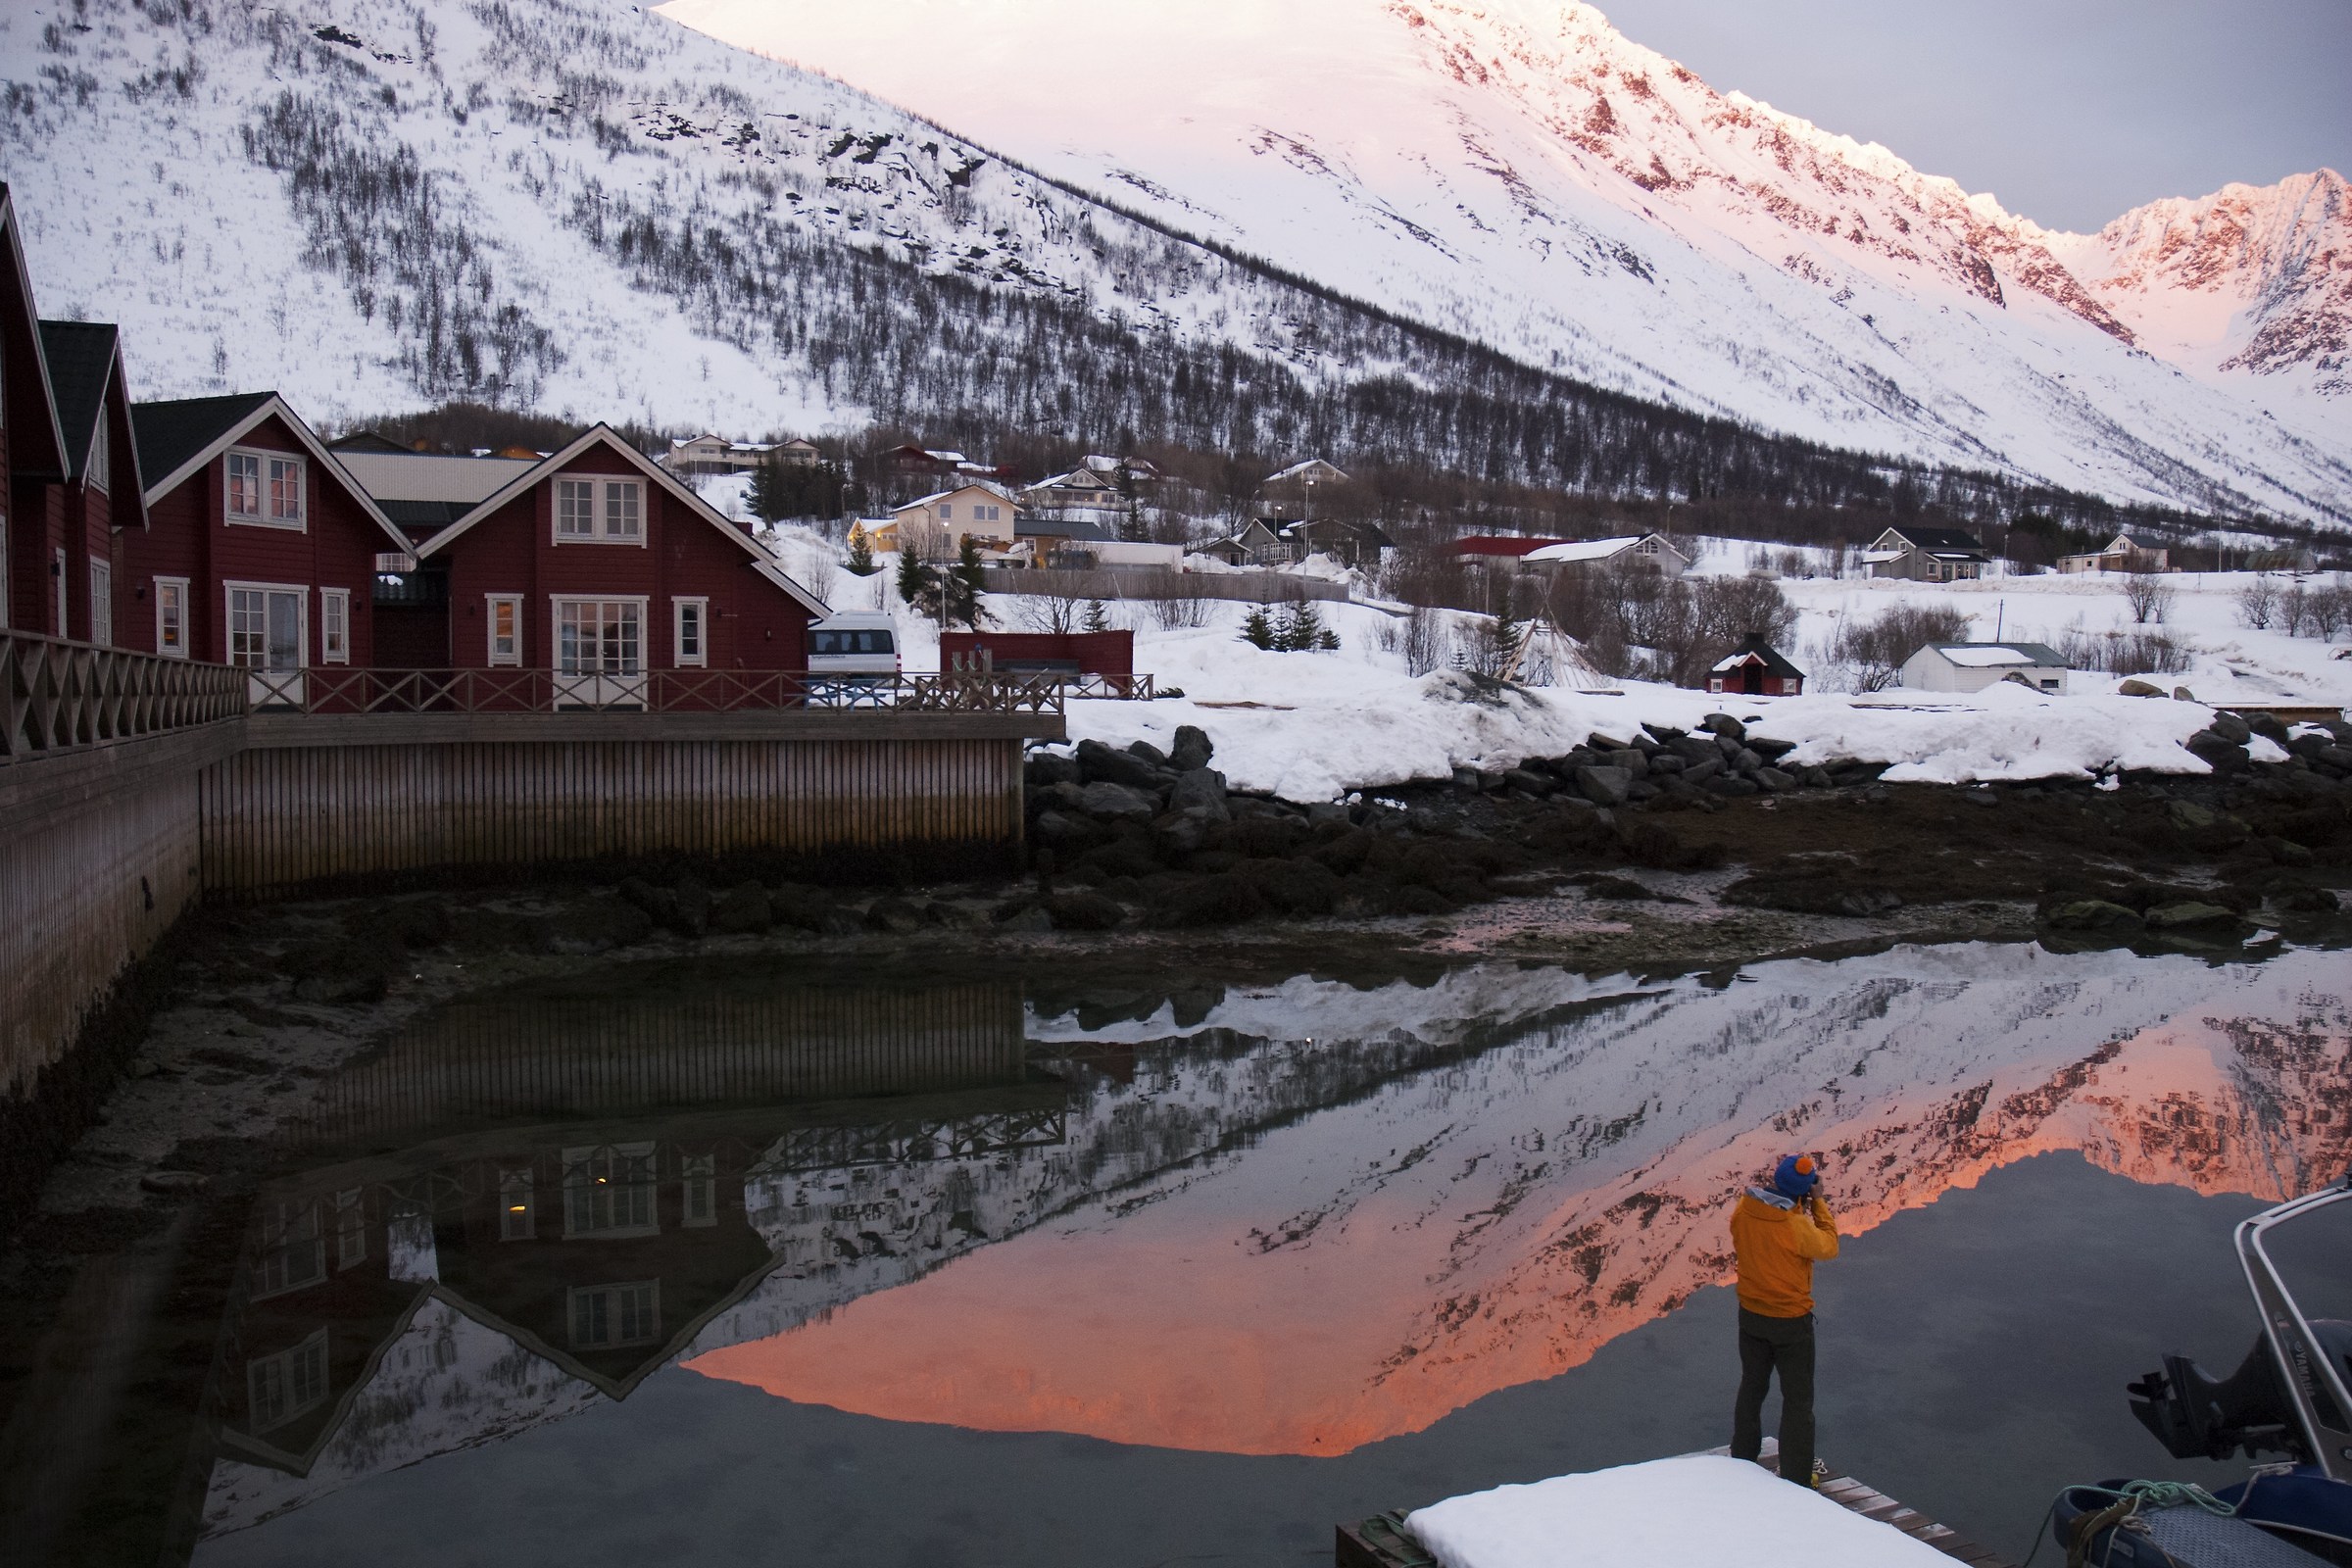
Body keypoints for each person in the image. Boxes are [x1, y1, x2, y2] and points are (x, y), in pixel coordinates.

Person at [1731, 1152, 1839, 1487]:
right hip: (1790, 1323)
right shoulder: (1796, 1227)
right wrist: (1818, 1205)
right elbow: (1828, 1246)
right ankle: (1796, 1476)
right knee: (1797, 1402)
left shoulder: (1743, 1212)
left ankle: (1742, 1459)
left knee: (1752, 1386)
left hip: (1751, 1315)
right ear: (1803, 1191)